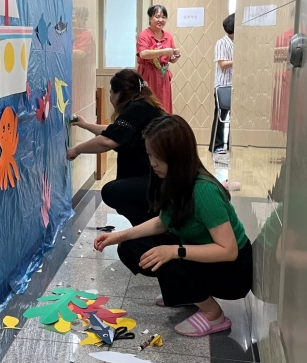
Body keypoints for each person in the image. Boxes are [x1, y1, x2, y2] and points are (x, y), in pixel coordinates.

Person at [93, 115, 252, 337]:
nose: (152, 163)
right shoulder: (174, 180)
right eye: (150, 155)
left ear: (177, 155)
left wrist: (174, 251)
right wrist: (119, 236)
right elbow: (163, 222)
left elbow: (228, 251)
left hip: (233, 271)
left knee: (166, 256)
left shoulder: (203, 190)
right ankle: (189, 294)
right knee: (132, 247)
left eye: (158, 157)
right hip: (206, 257)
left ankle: (213, 314)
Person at [67, 69, 165, 226]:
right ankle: (147, 227)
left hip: (155, 179)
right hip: (155, 176)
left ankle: (149, 228)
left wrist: (76, 150)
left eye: (111, 92)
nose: (110, 97)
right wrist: (85, 125)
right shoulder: (144, 106)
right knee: (120, 194)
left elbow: (108, 140)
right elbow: (116, 131)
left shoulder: (136, 108)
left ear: (120, 93)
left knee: (112, 192)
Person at [136, 5, 181, 113]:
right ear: (150, 18)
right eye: (157, 16)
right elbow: (143, 54)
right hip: (148, 74)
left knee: (164, 105)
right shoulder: (144, 35)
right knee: (148, 104)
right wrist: (164, 51)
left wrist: (176, 56)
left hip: (163, 74)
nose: (161, 20)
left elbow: (172, 60)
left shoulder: (168, 36)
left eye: (164, 17)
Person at [210, 13, 234, 153]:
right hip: (223, 86)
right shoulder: (222, 42)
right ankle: (217, 145)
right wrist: (238, 60)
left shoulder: (238, 43)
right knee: (221, 117)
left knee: (234, 118)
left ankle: (231, 145)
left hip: (235, 85)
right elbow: (222, 64)